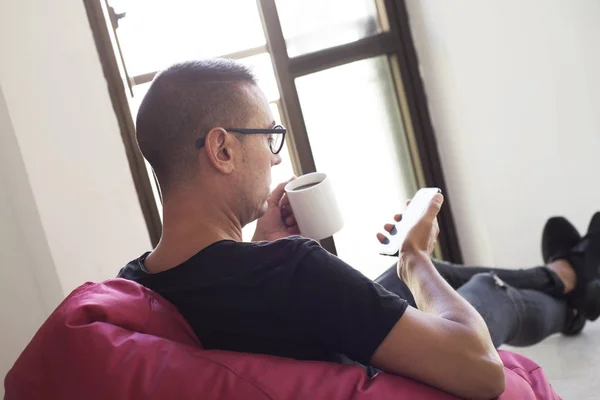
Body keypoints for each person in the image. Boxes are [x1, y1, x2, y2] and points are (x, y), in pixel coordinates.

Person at [118, 59, 600, 400]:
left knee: (443, 275)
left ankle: (569, 276)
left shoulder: (135, 287)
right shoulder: (290, 270)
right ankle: (573, 276)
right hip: (383, 373)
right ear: (222, 151)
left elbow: (237, 317)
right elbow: (481, 372)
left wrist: (258, 246)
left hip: (319, 338)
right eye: (269, 137)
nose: (275, 157)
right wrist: (414, 258)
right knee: (478, 291)